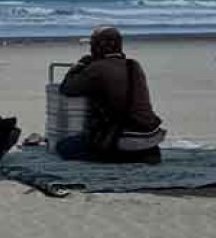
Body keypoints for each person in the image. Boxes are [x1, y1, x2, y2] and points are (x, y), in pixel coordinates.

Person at [56, 26, 166, 164]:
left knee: (63, 147)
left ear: (97, 47)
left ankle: (123, 157)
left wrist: (79, 66)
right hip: (150, 135)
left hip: (123, 137)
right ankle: (142, 153)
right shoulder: (134, 65)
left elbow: (67, 88)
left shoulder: (97, 68)